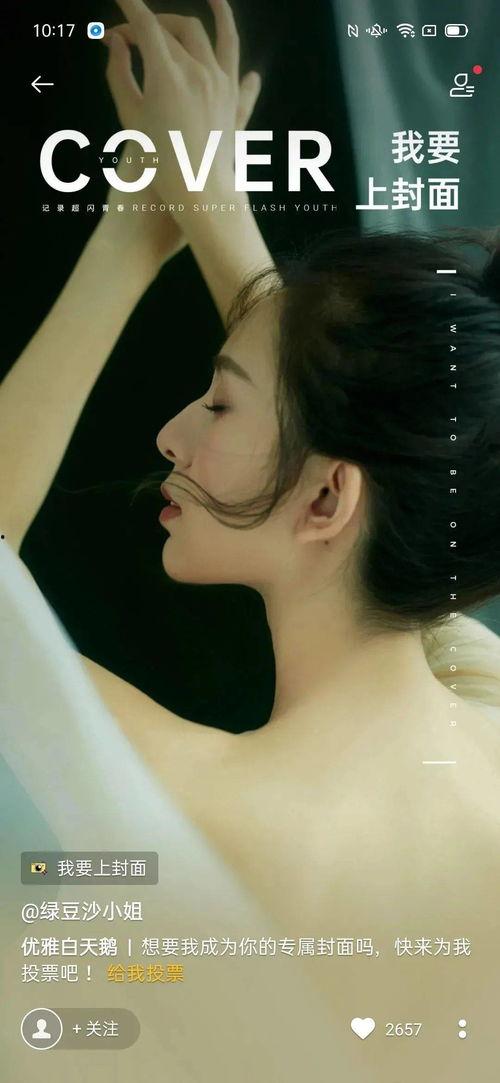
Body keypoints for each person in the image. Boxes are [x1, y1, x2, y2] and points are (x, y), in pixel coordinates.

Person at [2, 2, 500, 1069]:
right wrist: (209, 201)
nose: (171, 435)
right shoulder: (487, 723)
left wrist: (132, 233)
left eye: (218, 403)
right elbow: (368, 441)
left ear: (325, 504)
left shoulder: (179, 805)